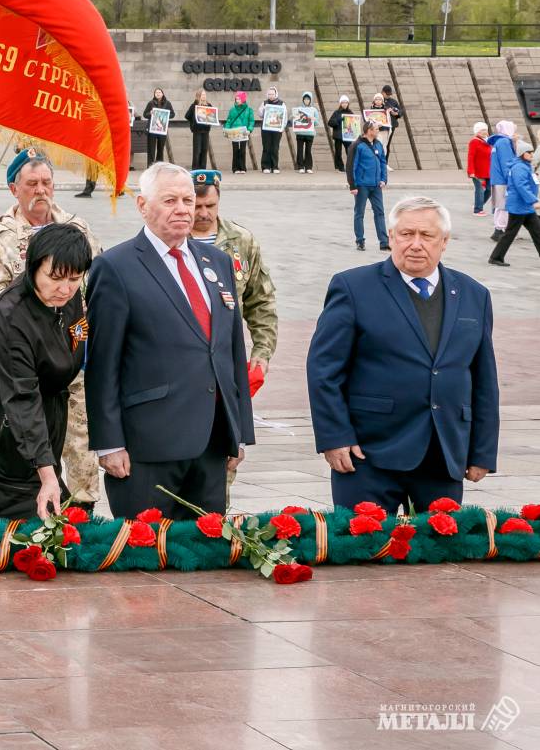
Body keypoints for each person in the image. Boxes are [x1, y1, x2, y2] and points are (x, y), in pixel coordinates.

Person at [85, 162, 254, 517]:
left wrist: (238, 430)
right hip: (146, 446)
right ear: (143, 205)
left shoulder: (217, 261)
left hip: (210, 442)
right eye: (170, 201)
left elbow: (231, 350)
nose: (183, 209)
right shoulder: (116, 267)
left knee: (205, 554)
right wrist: (108, 443)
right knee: (144, 557)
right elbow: (102, 364)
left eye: (188, 200)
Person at [308, 196, 498, 511]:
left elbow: (484, 378)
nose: (415, 244)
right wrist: (334, 437)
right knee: (362, 549)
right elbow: (323, 370)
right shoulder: (353, 287)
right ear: (392, 237)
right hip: (368, 455)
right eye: (406, 234)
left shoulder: (473, 295)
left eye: (427, 236)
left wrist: (482, 451)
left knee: (441, 553)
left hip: (442, 454)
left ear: (444, 242)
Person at [0, 150, 101, 509]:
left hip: (72, 355)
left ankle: (84, 511)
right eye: (31, 183)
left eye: (47, 182)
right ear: (13, 188)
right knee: (29, 437)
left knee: (81, 442)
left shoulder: (77, 229)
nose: (41, 190)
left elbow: (91, 289)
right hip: (27, 360)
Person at [0, 223, 90, 519]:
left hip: (48, 404)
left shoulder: (67, 298)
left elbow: (77, 338)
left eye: (75, 279)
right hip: (0, 417)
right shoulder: (12, 316)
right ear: (33, 267)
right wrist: (48, 473)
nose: (65, 289)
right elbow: (21, 397)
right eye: (55, 278)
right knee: (8, 500)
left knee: (46, 492)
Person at [190, 169, 278, 505]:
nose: (202, 213)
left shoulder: (241, 241)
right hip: (184, 367)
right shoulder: (173, 239)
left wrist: (262, 352)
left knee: (226, 450)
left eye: (209, 205)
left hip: (226, 367)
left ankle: (217, 511)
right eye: (196, 205)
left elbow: (261, 300)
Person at [489, 140, 540, 266]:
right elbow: (521, 186)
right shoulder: (519, 167)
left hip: (524, 207)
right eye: (529, 152)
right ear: (522, 153)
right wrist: (533, 200)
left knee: (537, 232)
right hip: (519, 207)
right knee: (510, 234)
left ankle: (496, 257)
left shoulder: (524, 166)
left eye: (532, 152)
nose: (532, 154)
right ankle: (495, 257)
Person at [348, 120, 389, 252]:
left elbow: (383, 162)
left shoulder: (378, 143)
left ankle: (384, 242)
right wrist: (352, 185)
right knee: (359, 213)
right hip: (361, 186)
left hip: (376, 185)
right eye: (376, 129)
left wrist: (383, 179)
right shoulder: (357, 145)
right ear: (369, 131)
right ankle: (360, 240)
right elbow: (350, 166)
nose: (378, 131)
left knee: (380, 212)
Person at [487, 120, 518, 241]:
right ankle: (499, 230)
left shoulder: (498, 142)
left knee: (500, 206)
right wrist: (511, 178)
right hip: (503, 179)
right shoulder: (505, 142)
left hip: (496, 178)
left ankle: (498, 229)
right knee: (504, 206)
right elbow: (507, 163)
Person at [257, 86, 285, 174]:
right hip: (266, 130)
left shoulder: (282, 103)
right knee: (266, 147)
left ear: (276, 94)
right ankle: (266, 167)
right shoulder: (264, 103)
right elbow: (260, 114)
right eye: (269, 94)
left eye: (272, 94)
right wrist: (264, 110)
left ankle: (275, 166)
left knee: (275, 147)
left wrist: (282, 127)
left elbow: (284, 117)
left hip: (277, 130)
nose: (271, 96)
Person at [224, 91, 254, 173]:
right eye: (236, 99)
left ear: (243, 99)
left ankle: (243, 168)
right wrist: (226, 129)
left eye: (239, 99)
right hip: (234, 132)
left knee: (243, 150)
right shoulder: (232, 110)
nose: (237, 100)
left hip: (244, 132)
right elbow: (229, 121)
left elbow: (251, 121)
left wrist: (249, 129)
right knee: (235, 149)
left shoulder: (249, 110)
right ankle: (235, 168)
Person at [467, 122, 492, 216]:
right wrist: (471, 171)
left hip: (488, 171)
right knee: (480, 189)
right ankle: (477, 210)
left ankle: (478, 204)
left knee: (489, 190)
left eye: (485, 129)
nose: (485, 131)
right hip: (477, 172)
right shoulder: (474, 141)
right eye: (482, 130)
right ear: (477, 131)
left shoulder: (488, 141)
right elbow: (471, 157)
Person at [184, 89, 213, 170]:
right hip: (197, 131)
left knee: (204, 150)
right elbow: (187, 116)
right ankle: (195, 169)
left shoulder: (209, 105)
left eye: (204, 95)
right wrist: (193, 122)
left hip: (206, 131)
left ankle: (203, 168)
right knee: (197, 151)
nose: (204, 96)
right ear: (198, 96)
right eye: (202, 95)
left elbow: (212, 117)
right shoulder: (194, 105)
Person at [142, 88, 170, 165]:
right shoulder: (150, 103)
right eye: (156, 92)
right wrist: (150, 113)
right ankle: (150, 165)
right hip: (152, 129)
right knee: (151, 149)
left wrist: (166, 115)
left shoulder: (167, 103)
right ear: (154, 94)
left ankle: (159, 165)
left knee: (160, 149)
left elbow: (173, 114)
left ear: (162, 93)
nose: (158, 93)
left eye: (159, 92)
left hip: (162, 129)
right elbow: (145, 114)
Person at [327, 95, 354, 172]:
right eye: (343, 102)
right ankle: (339, 167)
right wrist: (339, 119)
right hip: (338, 136)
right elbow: (330, 123)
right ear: (340, 103)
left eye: (346, 102)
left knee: (349, 151)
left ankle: (350, 167)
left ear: (348, 103)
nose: (345, 104)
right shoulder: (336, 112)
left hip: (348, 135)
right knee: (338, 152)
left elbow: (354, 124)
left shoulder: (350, 113)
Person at [293, 92, 316, 173]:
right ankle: (300, 167)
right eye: (305, 99)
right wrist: (294, 117)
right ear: (303, 100)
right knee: (300, 150)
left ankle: (308, 167)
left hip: (310, 133)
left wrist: (313, 120)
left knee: (308, 150)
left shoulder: (314, 110)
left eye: (308, 99)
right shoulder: (298, 109)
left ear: (310, 100)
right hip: (300, 133)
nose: (306, 101)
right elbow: (293, 119)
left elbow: (317, 122)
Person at [381, 84, 404, 155]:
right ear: (382, 92)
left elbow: (401, 110)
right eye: (387, 94)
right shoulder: (378, 99)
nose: (388, 96)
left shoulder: (393, 101)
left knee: (387, 144)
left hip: (391, 125)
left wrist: (397, 114)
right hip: (381, 126)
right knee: (380, 144)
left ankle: (385, 163)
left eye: (389, 94)